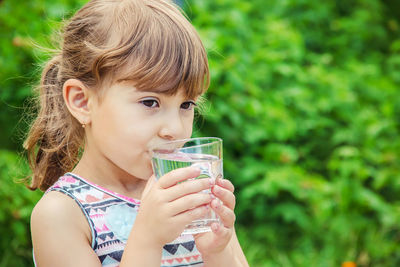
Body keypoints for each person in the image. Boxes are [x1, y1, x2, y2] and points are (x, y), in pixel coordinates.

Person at [25, 0, 249, 266]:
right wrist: (147, 240)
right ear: (82, 102)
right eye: (150, 102)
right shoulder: (62, 214)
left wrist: (217, 251)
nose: (174, 129)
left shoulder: (188, 193)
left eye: (186, 105)